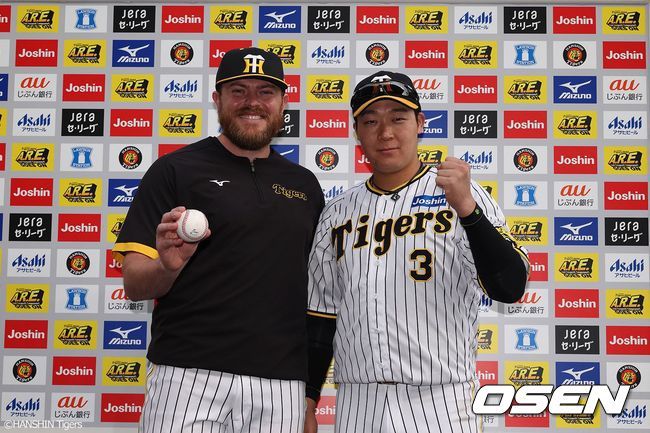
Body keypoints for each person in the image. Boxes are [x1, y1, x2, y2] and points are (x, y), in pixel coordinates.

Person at [304, 71, 529, 433]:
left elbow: (510, 286)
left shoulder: (461, 195)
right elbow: (321, 316)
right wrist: (310, 397)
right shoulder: (337, 212)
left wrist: (467, 209)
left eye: (398, 118)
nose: (385, 133)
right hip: (359, 401)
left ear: (420, 123)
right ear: (356, 130)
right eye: (370, 121)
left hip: (441, 399)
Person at [113, 47, 324, 433]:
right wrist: (167, 268)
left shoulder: (305, 185)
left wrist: (309, 395)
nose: (252, 102)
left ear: (284, 103)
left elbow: (318, 296)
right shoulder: (174, 170)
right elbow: (134, 284)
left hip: (281, 382)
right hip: (186, 375)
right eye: (238, 91)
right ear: (217, 99)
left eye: (265, 92)